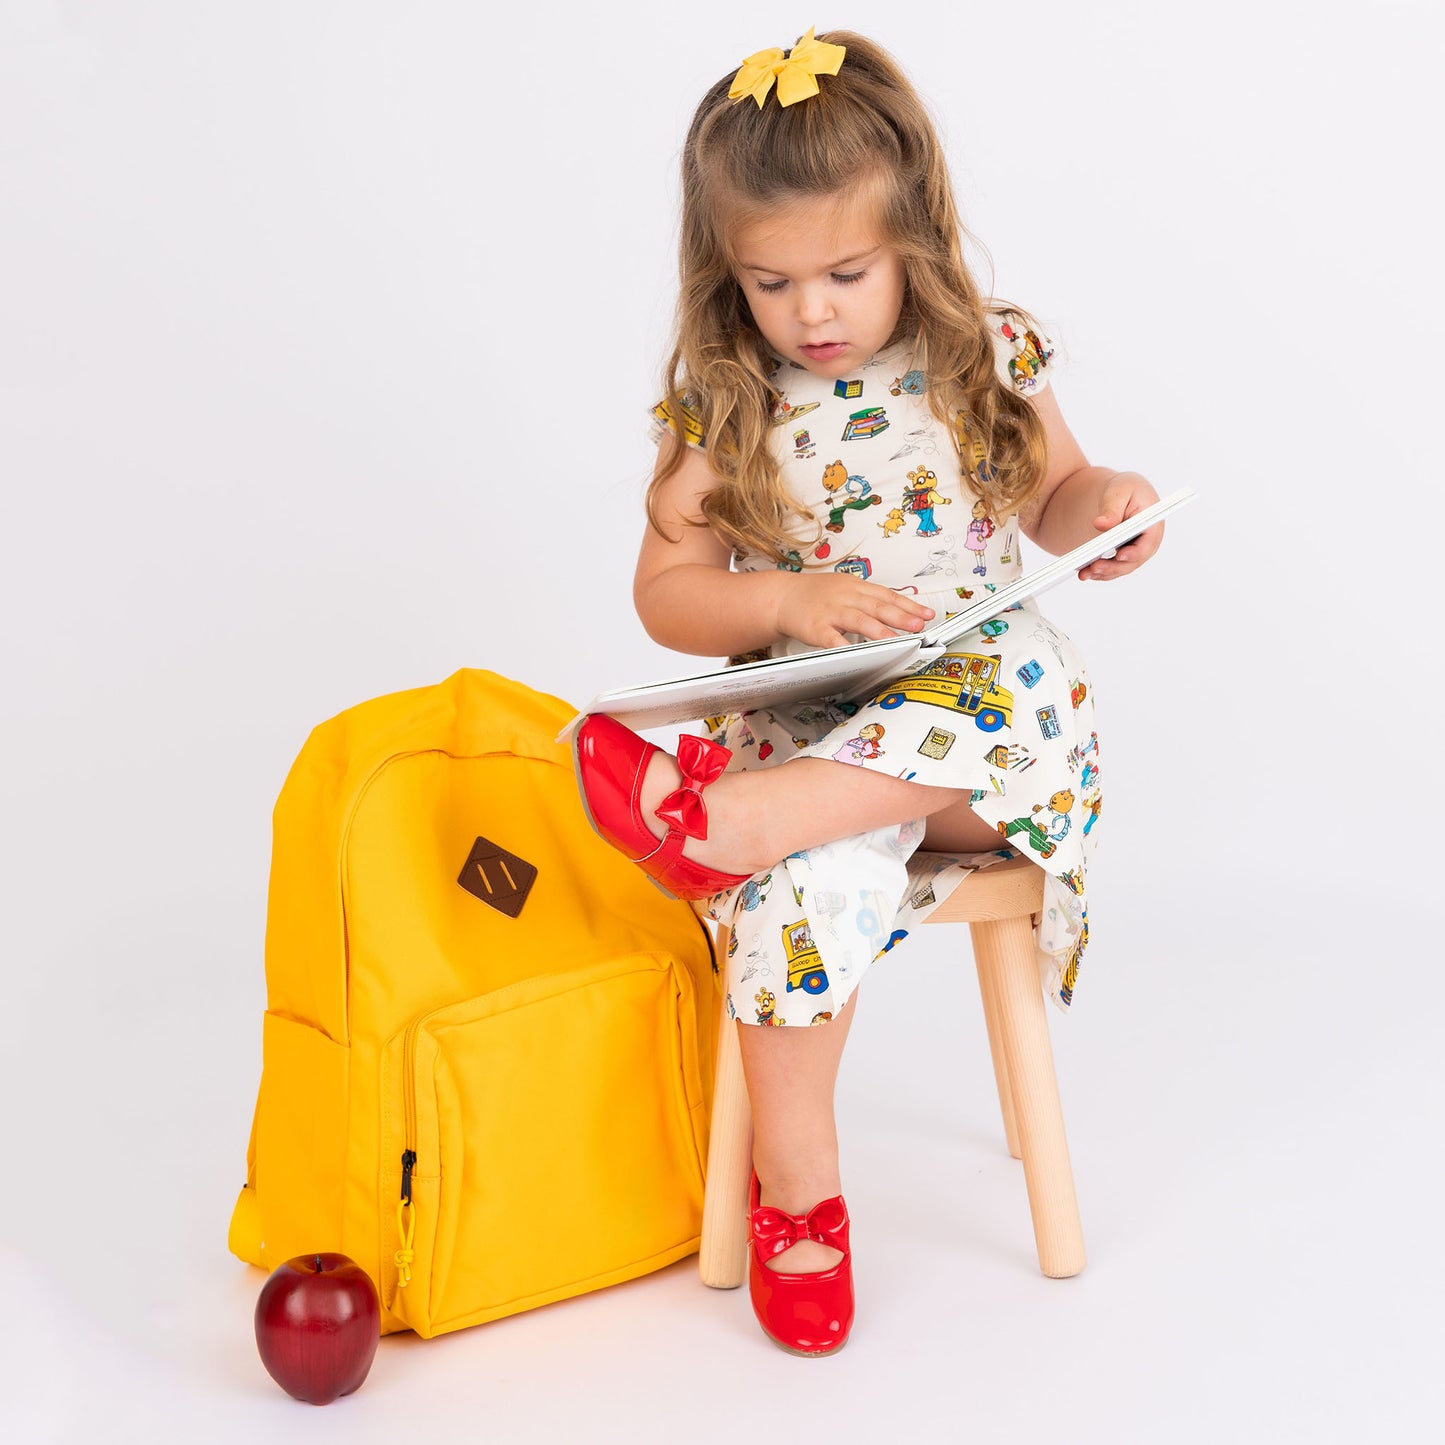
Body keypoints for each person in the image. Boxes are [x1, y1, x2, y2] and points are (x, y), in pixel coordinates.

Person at [571, 27, 1166, 1357]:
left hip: (983, 759)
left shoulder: (981, 362)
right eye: (771, 281)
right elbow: (669, 588)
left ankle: (738, 822)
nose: (812, 312)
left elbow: (1053, 494)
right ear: (724, 270)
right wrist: (779, 601)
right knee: (802, 882)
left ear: (916, 238)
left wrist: (1103, 507)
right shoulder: (722, 409)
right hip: (814, 733)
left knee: (1011, 689)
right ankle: (798, 1199)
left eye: (846, 272)